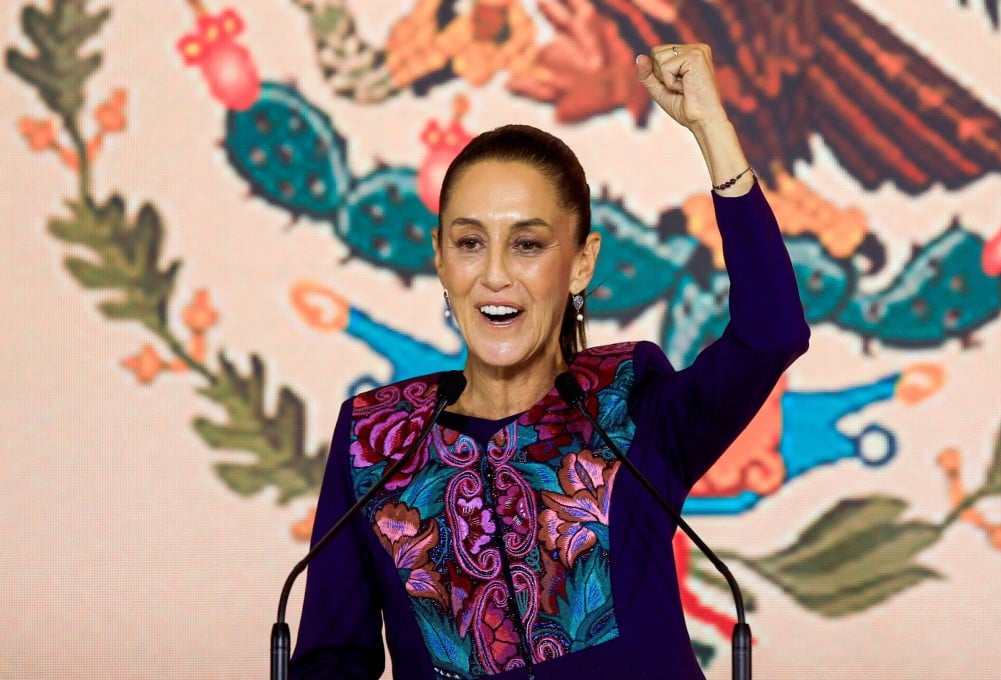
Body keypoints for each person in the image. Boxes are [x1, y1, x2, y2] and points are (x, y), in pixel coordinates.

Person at [290, 44, 810, 679]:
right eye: (470, 242)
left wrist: (712, 131)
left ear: (581, 263)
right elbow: (330, 663)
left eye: (528, 244)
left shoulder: (631, 407)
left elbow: (771, 334)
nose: (495, 275)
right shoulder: (377, 439)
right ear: (441, 259)